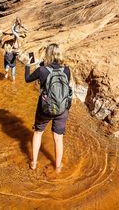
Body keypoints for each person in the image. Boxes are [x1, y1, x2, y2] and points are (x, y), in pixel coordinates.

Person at [25, 43, 71, 172]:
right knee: (58, 138)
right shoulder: (66, 70)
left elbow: (27, 79)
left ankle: (33, 163)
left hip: (45, 108)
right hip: (62, 109)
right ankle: (57, 167)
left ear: (47, 55)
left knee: (38, 133)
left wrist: (28, 65)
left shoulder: (42, 70)